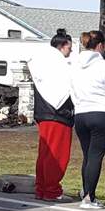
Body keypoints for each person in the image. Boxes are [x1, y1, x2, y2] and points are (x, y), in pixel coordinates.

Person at [70, 30, 105, 209]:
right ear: (100, 46)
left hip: (81, 114)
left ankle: (86, 192)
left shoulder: (75, 66)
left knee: (88, 156)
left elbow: (72, 91)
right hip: (102, 113)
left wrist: (78, 108)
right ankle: (88, 197)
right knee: (95, 156)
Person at [29, 29, 75, 201]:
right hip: (58, 114)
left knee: (45, 153)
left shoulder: (40, 61)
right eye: (69, 47)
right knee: (57, 155)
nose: (70, 52)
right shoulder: (60, 65)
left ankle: (41, 188)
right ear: (62, 46)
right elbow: (68, 88)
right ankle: (51, 190)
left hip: (43, 113)